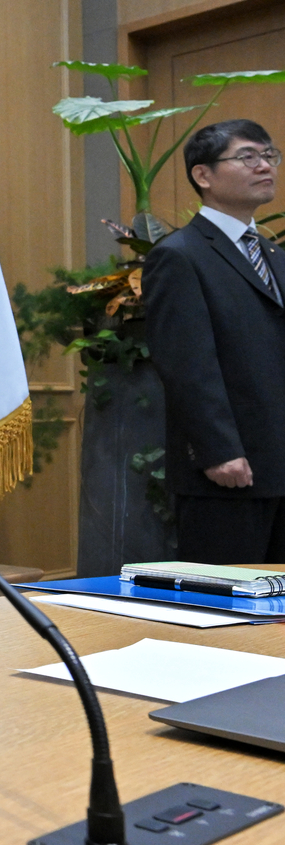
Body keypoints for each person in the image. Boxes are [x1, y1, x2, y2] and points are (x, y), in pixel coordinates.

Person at [143, 119, 285, 563]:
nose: (265, 166)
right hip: (228, 473)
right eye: (248, 156)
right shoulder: (179, 254)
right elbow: (186, 364)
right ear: (203, 175)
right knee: (226, 612)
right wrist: (219, 451)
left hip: (280, 463)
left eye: (270, 155)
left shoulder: (274, 254)